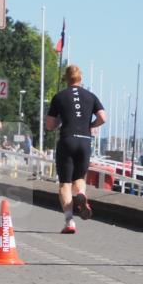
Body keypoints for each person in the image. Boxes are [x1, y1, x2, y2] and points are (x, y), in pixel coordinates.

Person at [46, 65, 107, 234]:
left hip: (67, 140)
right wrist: (91, 125)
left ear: (66, 79)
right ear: (81, 78)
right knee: (79, 178)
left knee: (65, 184)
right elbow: (103, 117)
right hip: (85, 141)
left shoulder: (59, 97)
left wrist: (60, 121)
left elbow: (49, 125)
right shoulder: (90, 96)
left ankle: (69, 221)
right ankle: (80, 193)